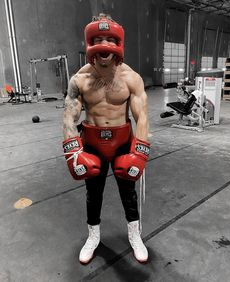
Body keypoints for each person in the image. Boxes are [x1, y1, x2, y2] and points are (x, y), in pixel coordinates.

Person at [62, 13, 150, 264]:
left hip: (122, 140)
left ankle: (135, 235)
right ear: (90, 42)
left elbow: (141, 116)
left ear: (118, 43)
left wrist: (139, 153)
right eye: (98, 38)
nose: (103, 45)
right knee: (93, 192)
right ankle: (93, 236)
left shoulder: (131, 78)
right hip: (92, 141)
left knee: (128, 192)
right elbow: (69, 116)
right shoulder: (79, 80)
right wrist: (73, 152)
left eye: (108, 39)